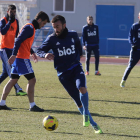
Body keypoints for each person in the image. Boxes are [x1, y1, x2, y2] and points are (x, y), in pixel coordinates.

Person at [36, 15, 103, 133]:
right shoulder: (52, 39)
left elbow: (78, 46)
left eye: (57, 26)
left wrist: (78, 55)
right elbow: (39, 50)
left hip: (76, 68)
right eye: (53, 27)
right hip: (63, 75)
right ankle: (94, 125)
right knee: (78, 101)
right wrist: (45, 55)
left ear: (64, 25)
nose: (55, 29)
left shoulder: (72, 35)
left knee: (82, 88)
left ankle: (86, 115)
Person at [0, 11, 50, 112]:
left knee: (13, 80)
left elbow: (24, 42)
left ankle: (2, 103)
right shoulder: (29, 28)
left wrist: (32, 52)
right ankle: (32, 105)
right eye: (43, 23)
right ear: (39, 20)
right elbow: (18, 40)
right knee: (32, 80)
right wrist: (14, 55)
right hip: (22, 59)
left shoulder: (30, 27)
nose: (43, 25)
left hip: (19, 58)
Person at [0, 5, 27, 96]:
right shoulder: (3, 20)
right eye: (11, 12)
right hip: (3, 48)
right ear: (8, 11)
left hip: (11, 49)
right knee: (10, 69)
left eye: (14, 12)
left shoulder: (16, 21)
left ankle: (17, 89)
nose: (13, 14)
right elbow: (3, 32)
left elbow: (17, 36)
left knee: (5, 73)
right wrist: (9, 23)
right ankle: (18, 89)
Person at [120, 12, 140, 87]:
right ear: (138, 17)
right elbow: (130, 36)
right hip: (136, 50)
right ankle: (123, 81)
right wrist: (132, 45)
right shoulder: (135, 26)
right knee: (130, 66)